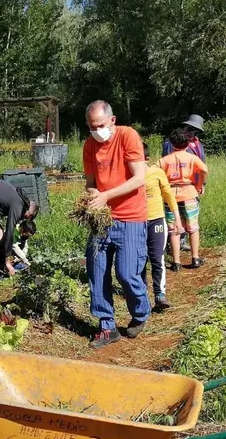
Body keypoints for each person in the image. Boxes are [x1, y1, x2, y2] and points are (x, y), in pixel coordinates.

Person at [82, 99, 152, 348]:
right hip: (102, 218)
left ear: (112, 120)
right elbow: (91, 182)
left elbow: (139, 178)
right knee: (97, 270)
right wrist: (92, 196)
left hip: (131, 216)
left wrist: (106, 196)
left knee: (126, 273)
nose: (96, 130)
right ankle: (106, 325)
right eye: (92, 126)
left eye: (100, 125)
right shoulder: (90, 145)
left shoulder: (127, 136)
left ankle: (141, 312)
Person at [160, 126, 209, 270]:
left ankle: (176, 262)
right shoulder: (192, 158)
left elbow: (155, 171)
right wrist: (199, 184)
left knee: (174, 229)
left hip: (171, 196)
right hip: (189, 194)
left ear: (172, 144)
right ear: (188, 144)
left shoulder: (165, 160)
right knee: (193, 228)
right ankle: (195, 259)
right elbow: (204, 169)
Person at [142, 142, 183, 310]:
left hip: (157, 221)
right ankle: (141, 294)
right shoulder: (127, 175)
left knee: (157, 258)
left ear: (147, 158)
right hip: (136, 223)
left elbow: (169, 196)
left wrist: (177, 220)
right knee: (139, 260)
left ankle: (160, 294)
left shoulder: (157, 173)